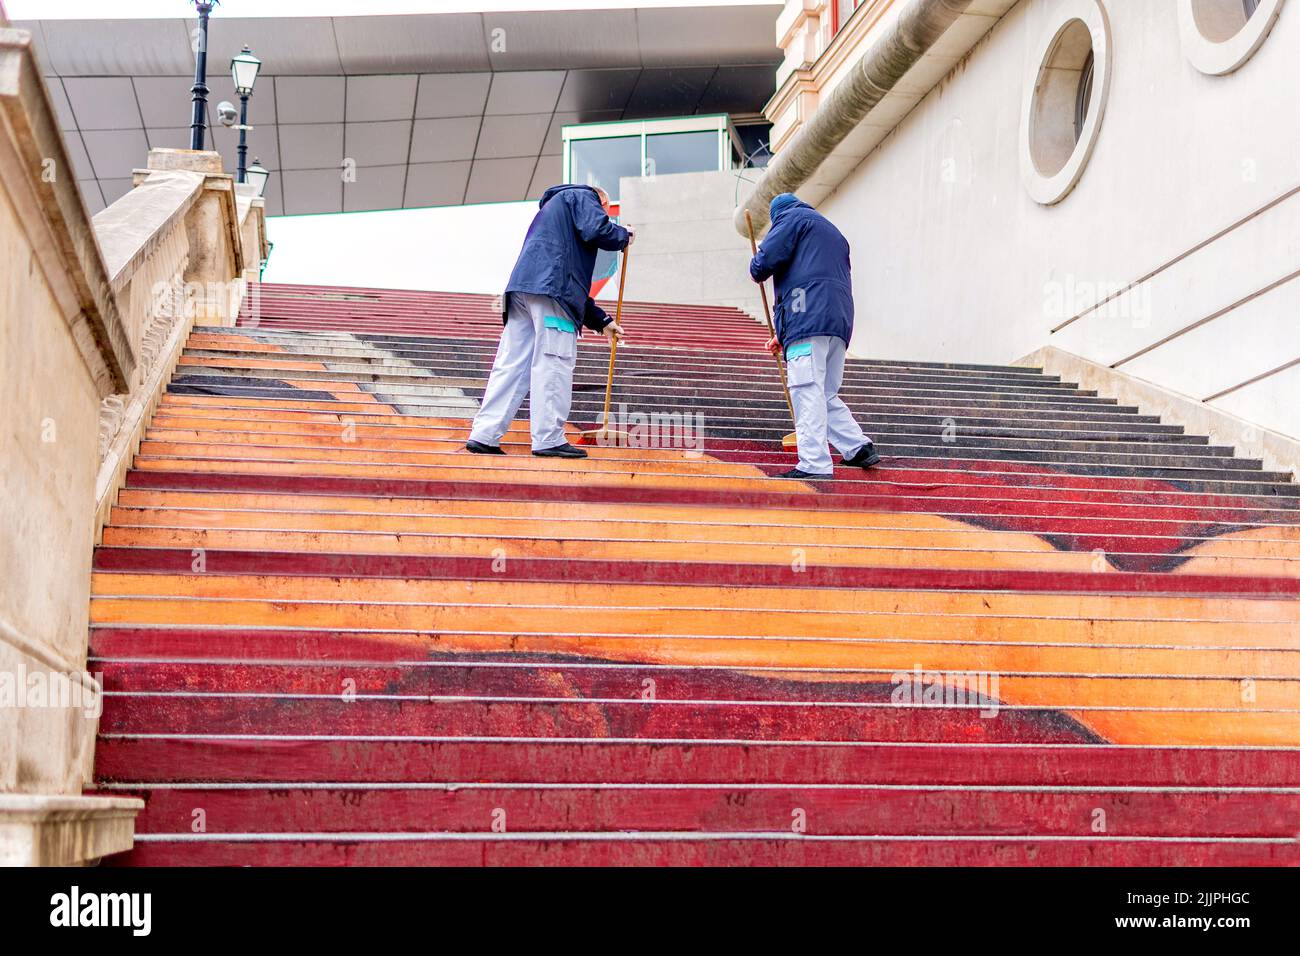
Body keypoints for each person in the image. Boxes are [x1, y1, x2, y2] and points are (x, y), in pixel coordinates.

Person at [466, 184, 632, 459]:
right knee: (554, 361)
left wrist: (602, 321)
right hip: (551, 293)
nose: (602, 215)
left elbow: (565, 281)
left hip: (524, 291)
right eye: (604, 212)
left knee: (512, 365)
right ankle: (548, 439)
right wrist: (624, 235)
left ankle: (484, 434)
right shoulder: (583, 196)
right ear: (601, 201)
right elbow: (597, 230)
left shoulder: (556, 212)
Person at [749, 192, 880, 480]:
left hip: (808, 319)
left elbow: (764, 263)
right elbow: (812, 278)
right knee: (824, 392)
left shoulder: (789, 219)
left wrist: (756, 262)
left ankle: (813, 464)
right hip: (838, 322)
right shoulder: (830, 230)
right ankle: (857, 447)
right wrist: (785, 334)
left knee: (806, 389)